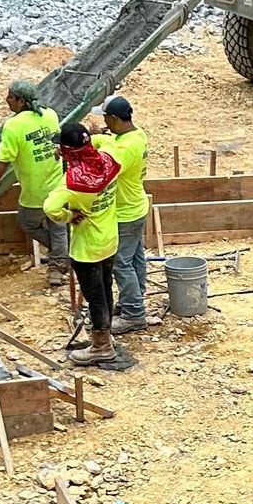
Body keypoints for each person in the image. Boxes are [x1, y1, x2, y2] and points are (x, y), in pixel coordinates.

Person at [42, 120, 122, 365]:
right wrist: (89, 137)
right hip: (109, 239)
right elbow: (105, 141)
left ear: (67, 151)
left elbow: (50, 207)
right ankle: (106, 334)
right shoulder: (109, 161)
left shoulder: (71, 183)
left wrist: (69, 216)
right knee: (106, 287)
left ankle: (101, 346)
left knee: (94, 295)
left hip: (87, 248)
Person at [0, 80, 68, 280]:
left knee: (27, 222)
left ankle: (60, 254)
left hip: (35, 190)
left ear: (20, 101)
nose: (7, 100)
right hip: (57, 183)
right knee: (58, 224)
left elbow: (3, 160)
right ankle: (58, 265)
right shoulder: (50, 114)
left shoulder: (13, 125)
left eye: (10, 96)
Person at [99, 95, 149, 329]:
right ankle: (135, 299)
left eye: (107, 119)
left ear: (116, 119)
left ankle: (133, 314)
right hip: (136, 206)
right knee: (135, 257)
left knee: (121, 263)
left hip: (126, 213)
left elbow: (106, 170)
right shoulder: (135, 135)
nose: (105, 123)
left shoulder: (126, 148)